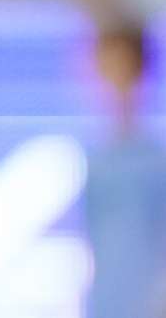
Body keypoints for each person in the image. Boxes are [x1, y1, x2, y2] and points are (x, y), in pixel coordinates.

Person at [85, 18, 166, 318]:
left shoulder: (157, 163)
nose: (111, 82)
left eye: (121, 68)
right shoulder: (95, 161)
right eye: (104, 68)